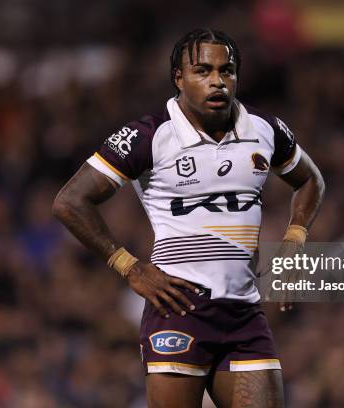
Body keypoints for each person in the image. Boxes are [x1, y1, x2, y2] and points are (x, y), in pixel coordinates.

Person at [52, 28, 324, 408]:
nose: (216, 80)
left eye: (226, 70)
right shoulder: (148, 136)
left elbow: (310, 179)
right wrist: (129, 266)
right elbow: (70, 201)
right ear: (179, 78)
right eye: (202, 71)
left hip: (244, 312)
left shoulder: (264, 129)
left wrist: (294, 240)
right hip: (178, 310)